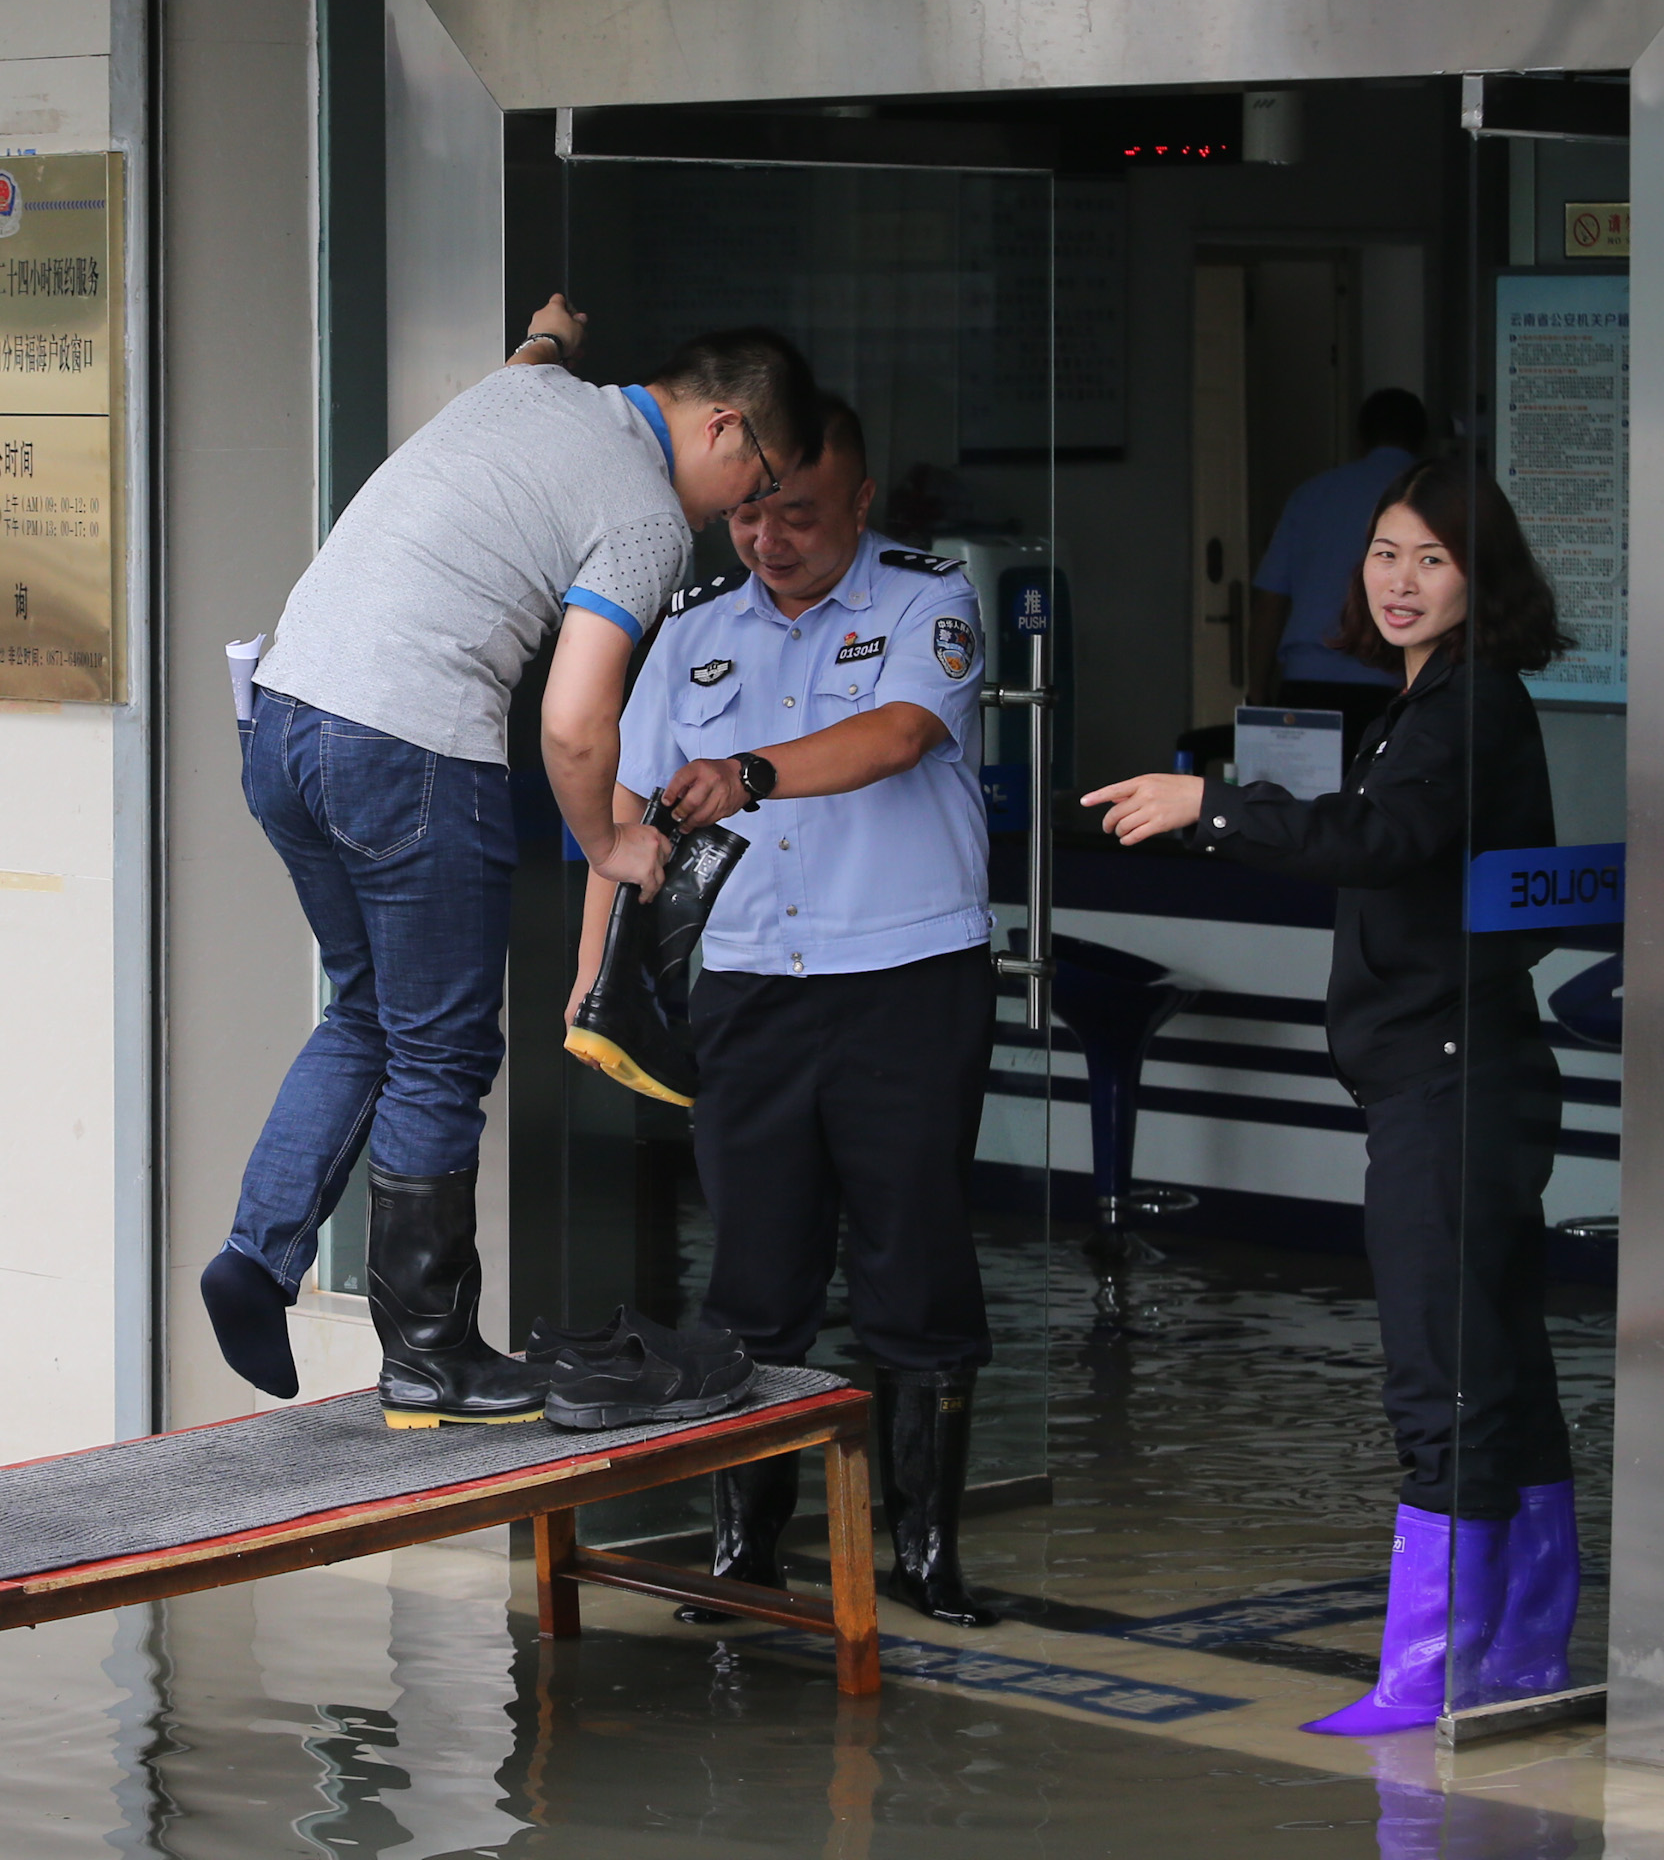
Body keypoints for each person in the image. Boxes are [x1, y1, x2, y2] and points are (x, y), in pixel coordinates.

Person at [208, 300, 824, 1427]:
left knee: (368, 1012)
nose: (752, 508)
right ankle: (432, 1354)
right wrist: (611, 842)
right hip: (406, 746)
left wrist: (554, 329)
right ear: (726, 427)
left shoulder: (528, 389)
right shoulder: (643, 516)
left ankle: (257, 1257)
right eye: (762, 478)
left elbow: (533, 350)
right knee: (441, 1050)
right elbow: (576, 718)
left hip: (284, 720)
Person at [1081, 456, 1579, 1733]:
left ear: (1485, 575)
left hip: (1452, 1081)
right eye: (1384, 552)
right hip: (1464, 1071)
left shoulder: (1465, 708)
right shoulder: (1437, 698)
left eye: (1434, 558)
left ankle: (1434, 1669)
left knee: (1443, 1371)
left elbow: (1376, 842)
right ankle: (1519, 1647)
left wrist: (1211, 806)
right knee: (1493, 1357)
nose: (1401, 581)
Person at [570, 398, 1001, 1626]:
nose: (768, 536)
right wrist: (593, 979)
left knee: (913, 1262)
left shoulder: (929, 599)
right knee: (755, 1276)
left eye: (799, 512)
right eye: (750, 510)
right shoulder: (691, 633)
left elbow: (901, 733)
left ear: (862, 503)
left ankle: (926, 1551)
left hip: (907, 978)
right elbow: (627, 822)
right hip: (752, 985)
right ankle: (744, 1553)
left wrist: (754, 770)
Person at [1250, 389, 1428, 745]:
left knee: (1298, 800)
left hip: (1309, 685)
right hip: (1398, 684)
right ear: (1422, 438)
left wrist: (1256, 690)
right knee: (1383, 798)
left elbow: (1271, 601)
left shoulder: (1312, 494)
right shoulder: (1428, 499)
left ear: (1359, 439)